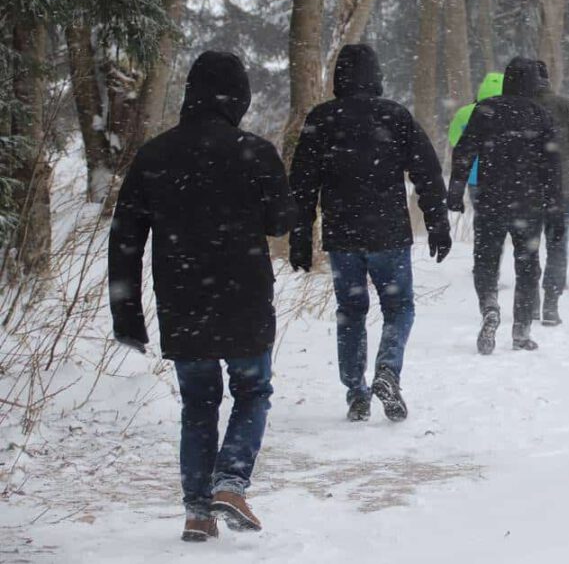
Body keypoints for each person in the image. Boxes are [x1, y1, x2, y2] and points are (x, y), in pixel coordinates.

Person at [108, 51, 297, 542]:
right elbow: (280, 221)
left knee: (198, 403)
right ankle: (230, 482)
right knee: (252, 392)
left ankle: (197, 511)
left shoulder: (154, 155)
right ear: (239, 97)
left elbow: (125, 238)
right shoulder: (255, 151)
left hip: (182, 298)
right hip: (245, 296)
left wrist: (126, 314)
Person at [289, 44, 451, 424]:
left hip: (342, 236)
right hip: (388, 234)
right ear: (376, 76)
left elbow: (302, 184)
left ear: (338, 77)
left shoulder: (322, 119)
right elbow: (426, 172)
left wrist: (299, 233)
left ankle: (356, 393)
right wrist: (437, 221)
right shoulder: (394, 116)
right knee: (399, 308)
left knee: (351, 312)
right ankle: (388, 370)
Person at [448, 57, 562, 354]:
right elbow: (552, 165)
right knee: (527, 267)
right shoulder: (541, 115)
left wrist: (456, 188)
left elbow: (464, 150)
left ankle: (489, 305)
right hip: (528, 204)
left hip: (490, 200)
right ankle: (521, 331)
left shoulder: (485, 110)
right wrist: (554, 206)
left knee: (485, 260)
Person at [533, 60, 569, 325]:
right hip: (561, 188)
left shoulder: (518, 106)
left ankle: (530, 300)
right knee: (557, 246)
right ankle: (551, 304)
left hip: (526, 190)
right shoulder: (565, 106)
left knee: (527, 247)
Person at [449, 72, 504, 207]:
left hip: (474, 176)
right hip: (503, 175)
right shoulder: (509, 112)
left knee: (482, 216)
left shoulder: (464, 112)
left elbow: (454, 139)